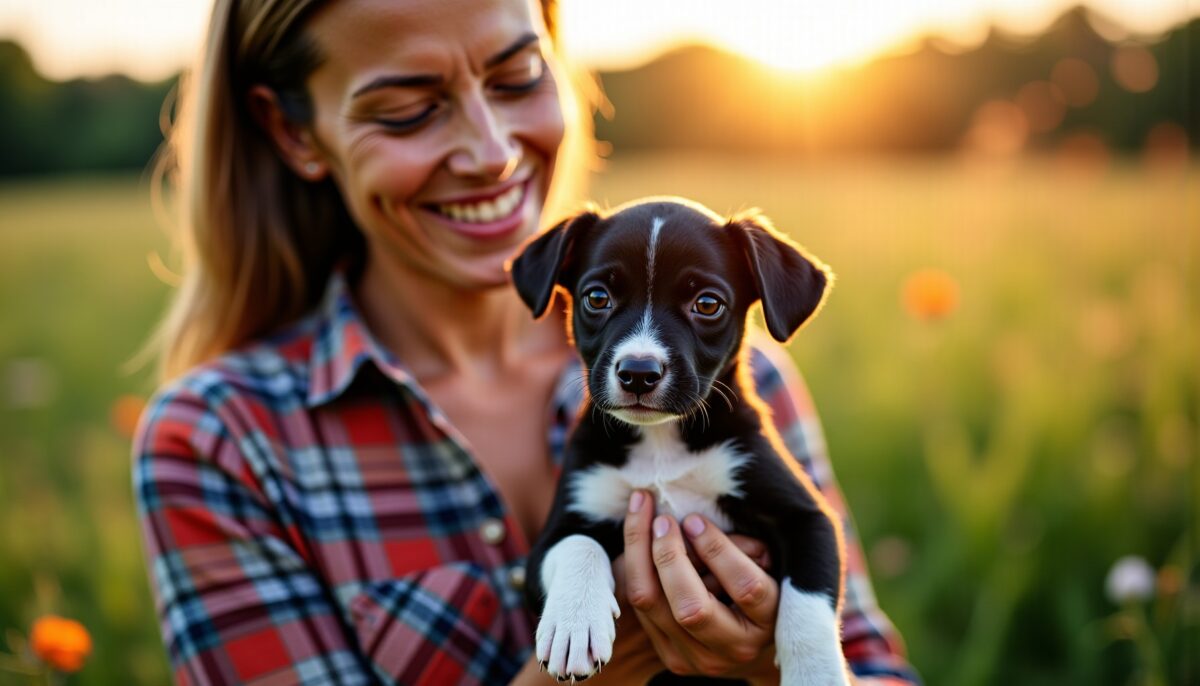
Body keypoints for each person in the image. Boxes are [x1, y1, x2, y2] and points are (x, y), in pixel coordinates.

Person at [133, 0, 920, 684]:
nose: (492, 151)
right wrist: (583, 677)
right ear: (291, 129)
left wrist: (775, 659)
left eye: (517, 78)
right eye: (407, 107)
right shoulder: (219, 443)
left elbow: (870, 664)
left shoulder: (744, 383)